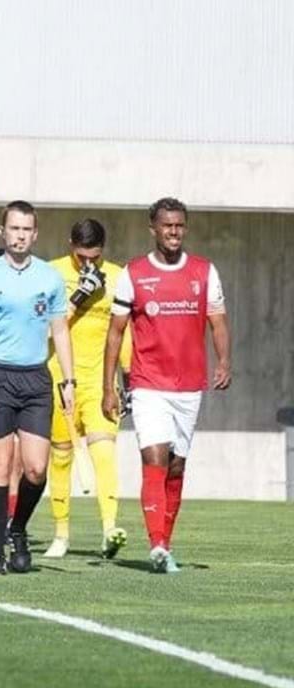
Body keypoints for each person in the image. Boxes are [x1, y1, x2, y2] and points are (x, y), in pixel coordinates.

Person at [103, 197, 230, 574]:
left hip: (189, 385)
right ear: (153, 228)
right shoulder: (135, 273)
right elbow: (115, 333)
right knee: (154, 457)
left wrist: (224, 360)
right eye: (166, 225)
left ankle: (165, 543)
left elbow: (218, 321)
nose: (173, 231)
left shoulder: (205, 272)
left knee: (176, 466)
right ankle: (156, 545)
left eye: (179, 225)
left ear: (184, 228)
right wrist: (109, 385)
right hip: (147, 382)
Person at [0, 200, 75, 575]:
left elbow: (60, 330)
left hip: (36, 378)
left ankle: (18, 528)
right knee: (0, 465)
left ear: (35, 234)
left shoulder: (49, 278)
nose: (20, 236)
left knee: (37, 468)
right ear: (2, 232)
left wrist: (68, 381)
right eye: (14, 229)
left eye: (27, 229)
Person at [43, 219, 132, 559]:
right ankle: (61, 534)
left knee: (104, 453)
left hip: (99, 382)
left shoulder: (117, 276)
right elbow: (47, 331)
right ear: (70, 246)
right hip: (58, 379)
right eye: (82, 257)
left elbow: (123, 332)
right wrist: (79, 295)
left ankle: (110, 529)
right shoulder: (52, 274)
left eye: (94, 257)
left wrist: (128, 378)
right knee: (61, 457)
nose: (88, 264)